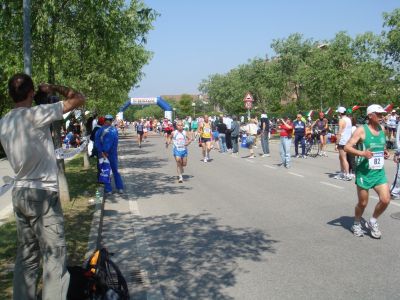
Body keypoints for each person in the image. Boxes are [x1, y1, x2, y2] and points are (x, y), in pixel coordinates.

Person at [0, 73, 85, 299]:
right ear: (30, 93)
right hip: (42, 194)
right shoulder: (36, 114)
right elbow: (78, 99)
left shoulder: (4, 121)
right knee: (54, 258)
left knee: (26, 258)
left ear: (10, 95)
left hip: (20, 193)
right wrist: (52, 88)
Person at [344, 104, 391, 238]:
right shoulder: (361, 130)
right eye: (379, 114)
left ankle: (372, 221)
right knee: (363, 203)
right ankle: (357, 223)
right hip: (364, 173)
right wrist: (362, 153)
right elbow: (347, 147)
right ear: (370, 115)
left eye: (382, 114)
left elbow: (381, 145)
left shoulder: (382, 129)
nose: (382, 117)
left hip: (378, 172)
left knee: (386, 199)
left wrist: (385, 151)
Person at [95, 114, 124, 195]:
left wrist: (102, 151)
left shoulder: (100, 130)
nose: (108, 121)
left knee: (105, 171)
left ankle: (109, 189)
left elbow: (97, 142)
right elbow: (115, 143)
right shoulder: (114, 130)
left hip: (103, 154)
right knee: (115, 171)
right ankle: (120, 187)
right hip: (112, 154)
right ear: (111, 121)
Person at [334, 107, 353, 181]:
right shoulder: (348, 119)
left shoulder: (341, 120)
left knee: (344, 158)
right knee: (341, 157)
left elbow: (339, 132)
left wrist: (336, 143)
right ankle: (342, 172)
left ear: (339, 113)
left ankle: (347, 174)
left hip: (342, 141)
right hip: (347, 140)